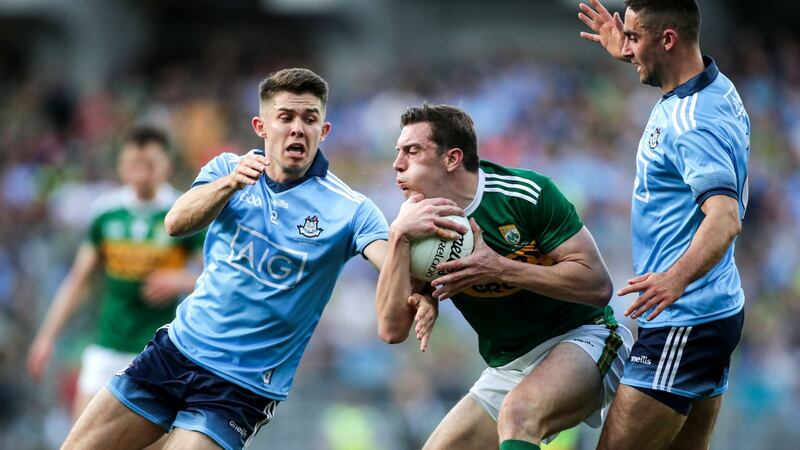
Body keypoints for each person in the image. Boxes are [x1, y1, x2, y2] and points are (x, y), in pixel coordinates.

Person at [59, 67, 410, 450]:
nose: (297, 128)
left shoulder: (352, 210)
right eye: (286, 117)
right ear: (261, 126)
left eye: (310, 119)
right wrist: (229, 184)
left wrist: (407, 247)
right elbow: (175, 222)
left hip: (240, 387)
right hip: (175, 353)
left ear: (323, 132)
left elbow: (390, 263)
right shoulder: (227, 168)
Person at [375, 103, 633, 450]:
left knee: (519, 412)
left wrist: (500, 267)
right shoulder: (415, 228)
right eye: (398, 152)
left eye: (412, 151)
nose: (398, 164)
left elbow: (598, 285)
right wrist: (398, 240)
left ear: (452, 159)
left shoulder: (524, 194)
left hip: (585, 338)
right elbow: (391, 330)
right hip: (509, 365)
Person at [578, 1, 750, 448]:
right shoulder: (711, 87)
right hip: (711, 308)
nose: (627, 47)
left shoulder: (694, 122)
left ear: (668, 39)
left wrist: (673, 281)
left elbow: (725, 217)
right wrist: (634, 53)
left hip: (684, 320)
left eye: (634, 38)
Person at [27, 126, 203, 422]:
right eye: (135, 164)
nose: (142, 173)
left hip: (159, 352)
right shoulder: (106, 214)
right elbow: (77, 282)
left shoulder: (183, 212)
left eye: (150, 164)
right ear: (122, 166)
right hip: (107, 346)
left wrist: (180, 280)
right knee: (80, 439)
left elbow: (218, 277)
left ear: (166, 166)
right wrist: (46, 337)